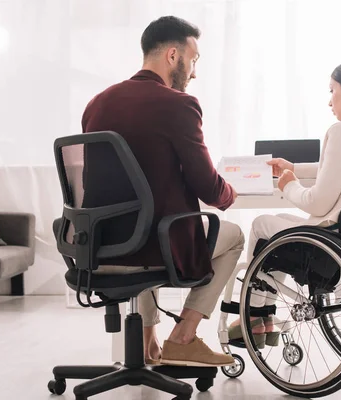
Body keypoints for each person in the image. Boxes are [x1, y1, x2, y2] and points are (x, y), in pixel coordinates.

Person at [81, 16, 244, 367]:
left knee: (148, 222)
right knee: (233, 237)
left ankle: (146, 344)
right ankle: (183, 337)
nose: (195, 71)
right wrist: (232, 193)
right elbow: (207, 185)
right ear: (173, 55)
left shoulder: (97, 104)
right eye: (194, 60)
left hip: (99, 244)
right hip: (151, 245)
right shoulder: (179, 105)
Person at [228, 57, 341, 342]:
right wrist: (294, 168)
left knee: (262, 225)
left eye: (332, 90)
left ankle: (253, 317)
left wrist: (290, 184)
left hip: (333, 248)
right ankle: (263, 318)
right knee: (281, 224)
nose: (330, 101)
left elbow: (317, 204)